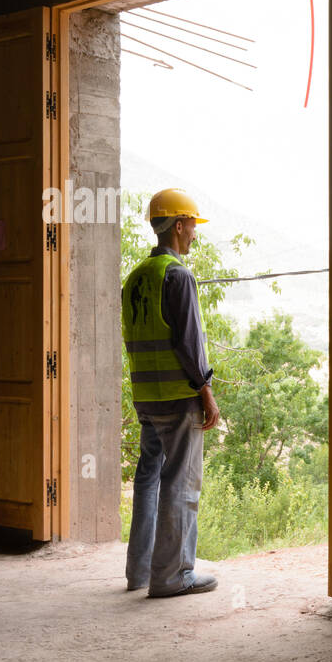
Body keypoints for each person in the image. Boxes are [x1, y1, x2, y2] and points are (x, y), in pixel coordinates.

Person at [121, 187, 221, 597]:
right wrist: (206, 391)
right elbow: (187, 342)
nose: (195, 234)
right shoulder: (177, 275)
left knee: (148, 481)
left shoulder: (135, 277)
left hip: (146, 398)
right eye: (193, 226)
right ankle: (173, 576)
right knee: (181, 484)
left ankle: (140, 572)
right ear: (179, 226)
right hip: (179, 399)